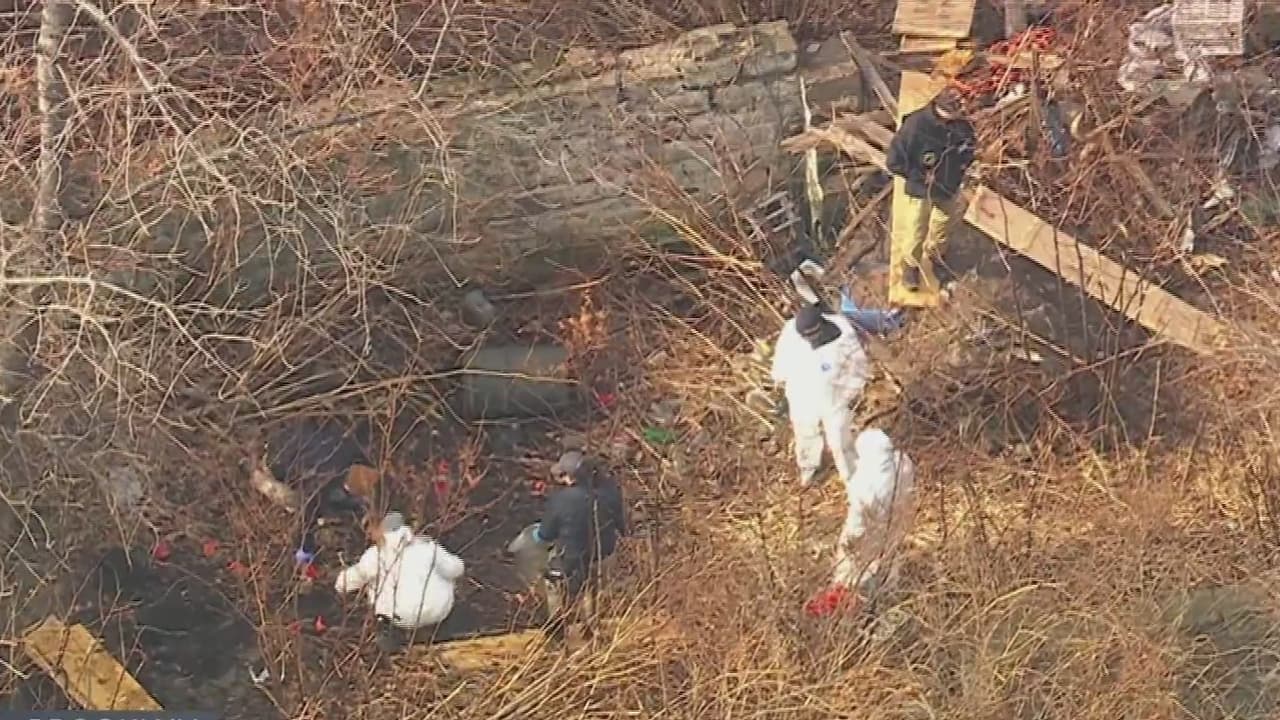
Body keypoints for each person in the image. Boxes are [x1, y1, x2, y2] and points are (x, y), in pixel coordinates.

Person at [508, 451, 627, 631]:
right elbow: (622, 526)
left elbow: (544, 536)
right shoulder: (609, 494)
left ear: (569, 477)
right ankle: (592, 628)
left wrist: (535, 533)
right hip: (604, 557)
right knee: (594, 589)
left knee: (554, 586)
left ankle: (558, 629)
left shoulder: (561, 500)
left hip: (571, 561)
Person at [884, 86, 977, 292]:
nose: (959, 117)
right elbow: (894, 162)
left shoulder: (961, 125)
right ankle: (911, 266)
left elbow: (969, 148)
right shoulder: (915, 126)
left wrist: (964, 166)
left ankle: (937, 256)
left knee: (943, 224)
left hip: (948, 185)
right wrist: (920, 177)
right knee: (916, 229)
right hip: (921, 187)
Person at [770, 304, 872, 486]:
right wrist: (781, 388)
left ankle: (851, 476)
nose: (810, 339)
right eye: (806, 336)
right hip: (801, 393)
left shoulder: (843, 333)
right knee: (805, 432)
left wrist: (850, 394)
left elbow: (858, 367)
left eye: (813, 334)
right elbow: (781, 363)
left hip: (835, 396)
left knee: (839, 439)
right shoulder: (790, 332)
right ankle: (810, 469)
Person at [335, 512, 466, 653]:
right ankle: (441, 639)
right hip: (435, 616)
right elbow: (457, 569)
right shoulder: (429, 547)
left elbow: (344, 584)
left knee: (381, 604)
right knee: (445, 583)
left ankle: (389, 648)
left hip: (398, 618)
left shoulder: (375, 555)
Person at [832, 429, 917, 598]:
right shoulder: (903, 463)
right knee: (890, 553)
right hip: (897, 520)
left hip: (870, 526)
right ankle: (889, 587)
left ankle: (852, 591)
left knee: (858, 565)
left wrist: (850, 543)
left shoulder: (865, 482)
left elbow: (858, 518)